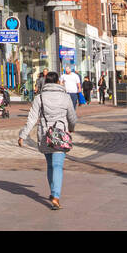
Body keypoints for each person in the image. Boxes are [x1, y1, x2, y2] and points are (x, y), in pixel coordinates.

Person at [18, 70, 77, 210]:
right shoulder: (66, 97)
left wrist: (23, 135)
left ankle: (53, 192)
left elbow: (31, 119)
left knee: (50, 165)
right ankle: (56, 196)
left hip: (45, 135)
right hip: (61, 135)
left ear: (45, 82)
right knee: (57, 166)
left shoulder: (40, 98)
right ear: (58, 82)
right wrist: (71, 128)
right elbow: (72, 117)